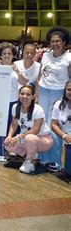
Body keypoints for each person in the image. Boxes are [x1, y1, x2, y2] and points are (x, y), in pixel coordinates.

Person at [36, 27, 70, 170]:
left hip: (58, 93)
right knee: (41, 122)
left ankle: (54, 160)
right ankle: (40, 156)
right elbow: (39, 76)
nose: (55, 43)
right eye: (52, 41)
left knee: (53, 125)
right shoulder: (45, 55)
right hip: (43, 91)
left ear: (63, 43)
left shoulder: (68, 57)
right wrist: (37, 94)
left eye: (58, 41)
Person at [4, 85, 53, 174]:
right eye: (22, 94)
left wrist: (17, 137)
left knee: (30, 138)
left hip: (44, 139)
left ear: (33, 96)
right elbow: (14, 124)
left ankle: (29, 162)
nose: (24, 96)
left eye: (28, 94)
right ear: (19, 95)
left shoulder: (38, 109)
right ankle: (32, 154)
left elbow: (35, 130)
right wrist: (9, 136)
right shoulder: (15, 107)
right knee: (7, 144)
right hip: (26, 139)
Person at [51, 80, 71, 177]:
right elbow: (54, 124)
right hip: (67, 139)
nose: (70, 92)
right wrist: (64, 136)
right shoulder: (58, 104)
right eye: (69, 90)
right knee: (68, 172)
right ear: (65, 90)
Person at [0, 42, 19, 129]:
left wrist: (18, 71)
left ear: (13, 55)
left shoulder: (17, 67)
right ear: (0, 55)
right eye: (4, 53)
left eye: (9, 53)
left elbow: (24, 82)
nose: (7, 55)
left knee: (11, 124)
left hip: (12, 101)